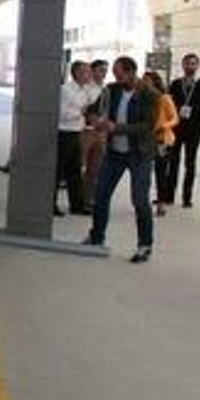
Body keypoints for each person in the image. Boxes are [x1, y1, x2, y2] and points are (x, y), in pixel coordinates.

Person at [84, 56, 158, 262]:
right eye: (114, 74)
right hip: (114, 152)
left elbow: (147, 126)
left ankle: (145, 245)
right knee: (101, 195)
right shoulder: (111, 90)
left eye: (119, 74)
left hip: (139, 154)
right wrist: (95, 119)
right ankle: (96, 237)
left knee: (140, 200)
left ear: (131, 72)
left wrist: (117, 128)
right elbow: (92, 110)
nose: (115, 78)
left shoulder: (150, 94)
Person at [163, 52, 200, 208]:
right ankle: (169, 196)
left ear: (197, 66)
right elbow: (167, 107)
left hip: (194, 129)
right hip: (176, 128)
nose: (190, 66)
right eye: (187, 63)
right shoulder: (175, 84)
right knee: (173, 162)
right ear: (183, 65)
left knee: (190, 163)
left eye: (193, 63)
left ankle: (187, 198)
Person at [56, 60, 92, 215]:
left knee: (75, 171)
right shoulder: (65, 90)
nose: (89, 75)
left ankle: (77, 205)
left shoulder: (85, 91)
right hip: (64, 132)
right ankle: (51, 204)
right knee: (58, 171)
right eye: (86, 72)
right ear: (77, 73)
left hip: (77, 132)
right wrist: (81, 112)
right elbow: (62, 114)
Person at [144, 70, 180, 215]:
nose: (144, 83)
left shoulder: (164, 98)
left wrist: (163, 126)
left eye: (147, 80)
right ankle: (142, 200)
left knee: (161, 172)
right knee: (143, 171)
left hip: (162, 139)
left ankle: (161, 202)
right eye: (143, 80)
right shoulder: (141, 97)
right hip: (146, 139)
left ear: (155, 82)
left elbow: (175, 118)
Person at [81, 59, 109, 202]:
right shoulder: (85, 88)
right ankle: (78, 198)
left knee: (96, 168)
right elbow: (82, 109)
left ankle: (89, 198)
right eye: (101, 70)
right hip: (86, 131)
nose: (104, 73)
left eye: (105, 71)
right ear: (92, 71)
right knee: (81, 165)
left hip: (101, 133)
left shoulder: (106, 90)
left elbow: (107, 110)